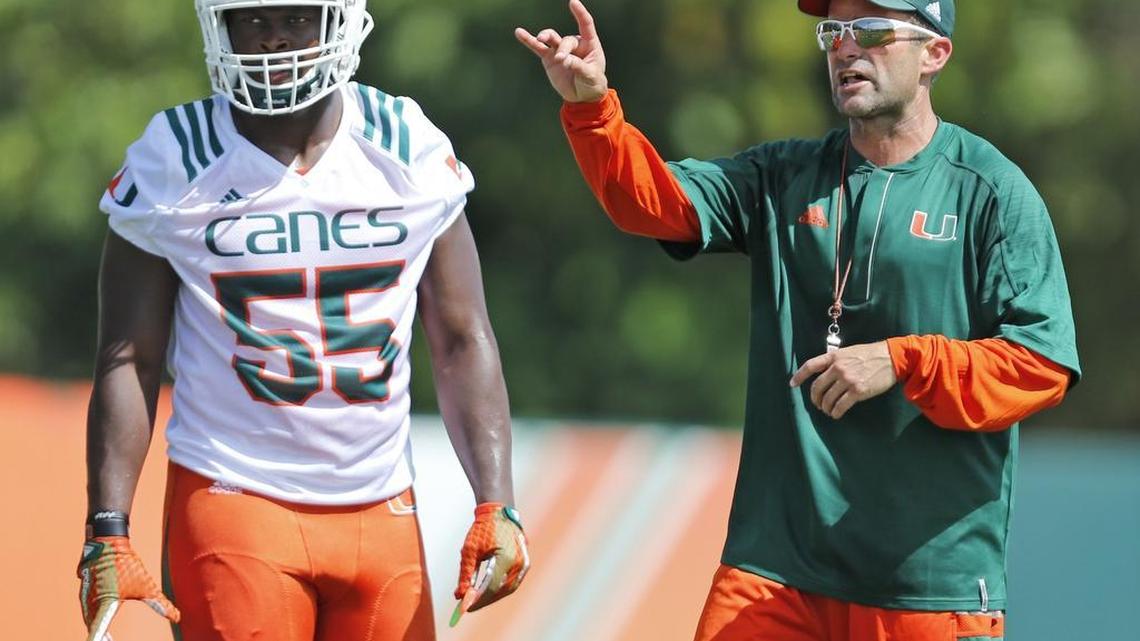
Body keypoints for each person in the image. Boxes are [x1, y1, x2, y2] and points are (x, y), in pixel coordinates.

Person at [516, 0, 1079, 639]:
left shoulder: (992, 192)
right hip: (776, 567)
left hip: (924, 582)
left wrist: (904, 359)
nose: (844, 48)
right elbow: (655, 204)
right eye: (833, 32)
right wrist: (593, 108)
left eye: (869, 30)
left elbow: (1043, 364)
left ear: (935, 53)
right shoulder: (783, 174)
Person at [78, 1, 529, 639]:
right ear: (221, 26)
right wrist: (108, 527)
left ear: (337, 21)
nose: (275, 42)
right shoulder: (174, 157)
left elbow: (462, 338)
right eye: (254, 22)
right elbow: (130, 356)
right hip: (236, 493)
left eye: (295, 19)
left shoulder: (408, 145)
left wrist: (496, 500)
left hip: (382, 504)